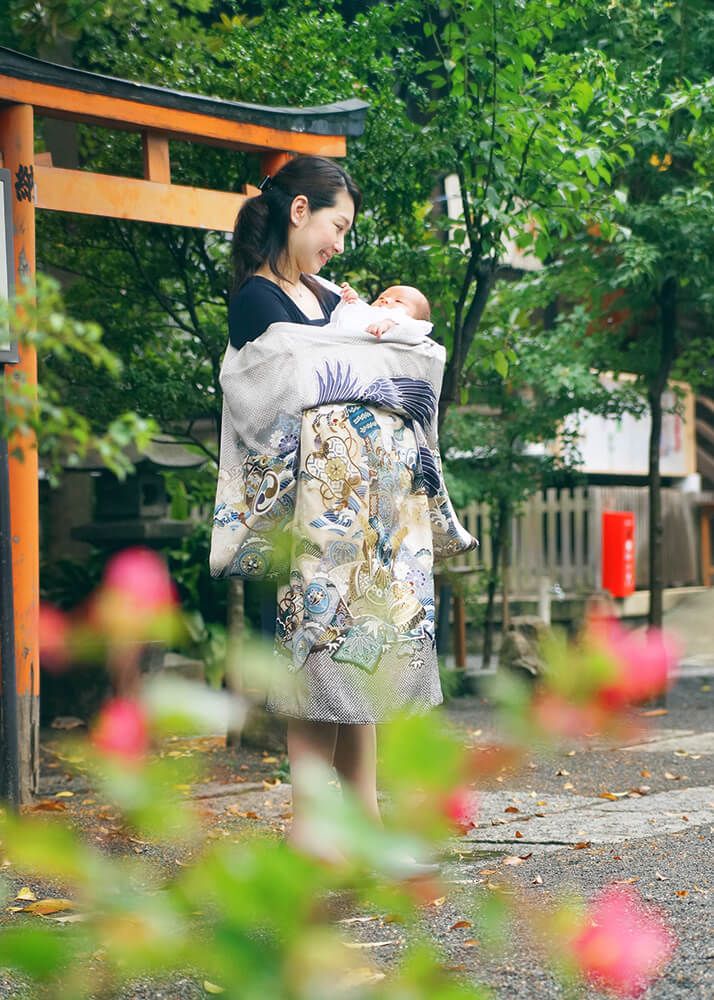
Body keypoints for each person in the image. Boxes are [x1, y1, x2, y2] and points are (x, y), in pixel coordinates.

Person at [224, 155, 467, 869]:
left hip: (370, 515)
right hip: (315, 514)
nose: (340, 244)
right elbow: (287, 383)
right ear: (299, 210)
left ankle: (366, 821)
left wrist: (362, 326)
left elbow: (389, 350)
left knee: (360, 652)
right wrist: (354, 342)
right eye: (337, 225)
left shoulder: (328, 297)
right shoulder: (258, 299)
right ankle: (311, 829)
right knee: (316, 654)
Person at [334, 281, 433, 342]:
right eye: (381, 297)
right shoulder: (370, 312)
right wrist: (351, 301)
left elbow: (405, 325)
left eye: (399, 301)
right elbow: (342, 319)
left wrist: (387, 324)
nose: (386, 300)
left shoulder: (408, 323)